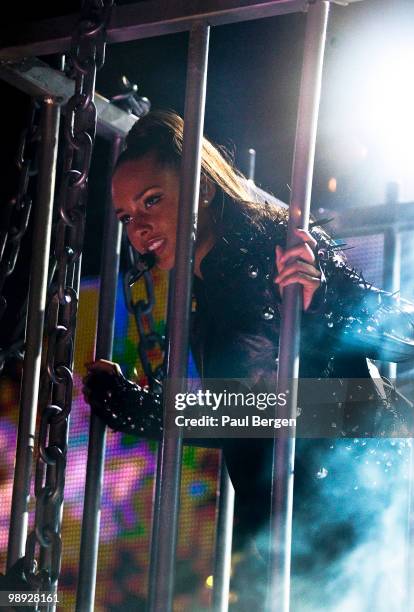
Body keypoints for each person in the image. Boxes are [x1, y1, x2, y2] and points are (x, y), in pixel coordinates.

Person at [83, 110, 414, 606]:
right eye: (128, 216)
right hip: (307, 535)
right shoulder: (202, 284)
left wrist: (326, 302)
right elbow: (261, 413)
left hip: (364, 513)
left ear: (203, 187)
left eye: (153, 200)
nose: (138, 228)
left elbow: (267, 408)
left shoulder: (271, 246)